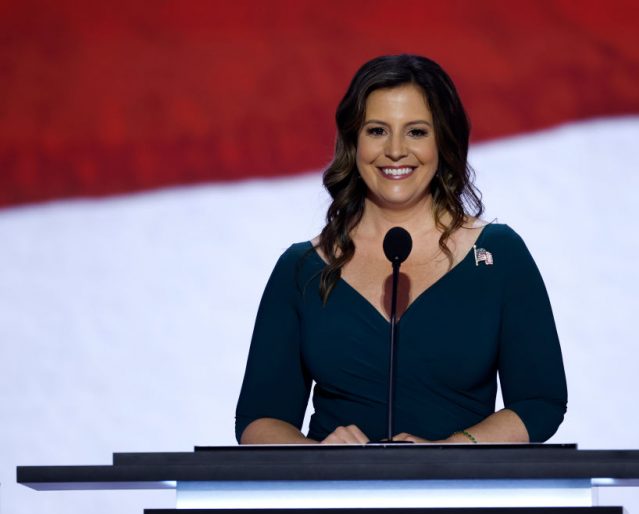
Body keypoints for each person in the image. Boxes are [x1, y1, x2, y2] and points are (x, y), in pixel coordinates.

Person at [235, 54, 567, 445]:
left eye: (416, 132)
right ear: (353, 142)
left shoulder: (498, 256)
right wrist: (317, 457)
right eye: (377, 131)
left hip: (460, 499)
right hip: (333, 500)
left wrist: (451, 451)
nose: (395, 150)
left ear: (443, 140)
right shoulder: (302, 267)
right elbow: (259, 419)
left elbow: (539, 403)